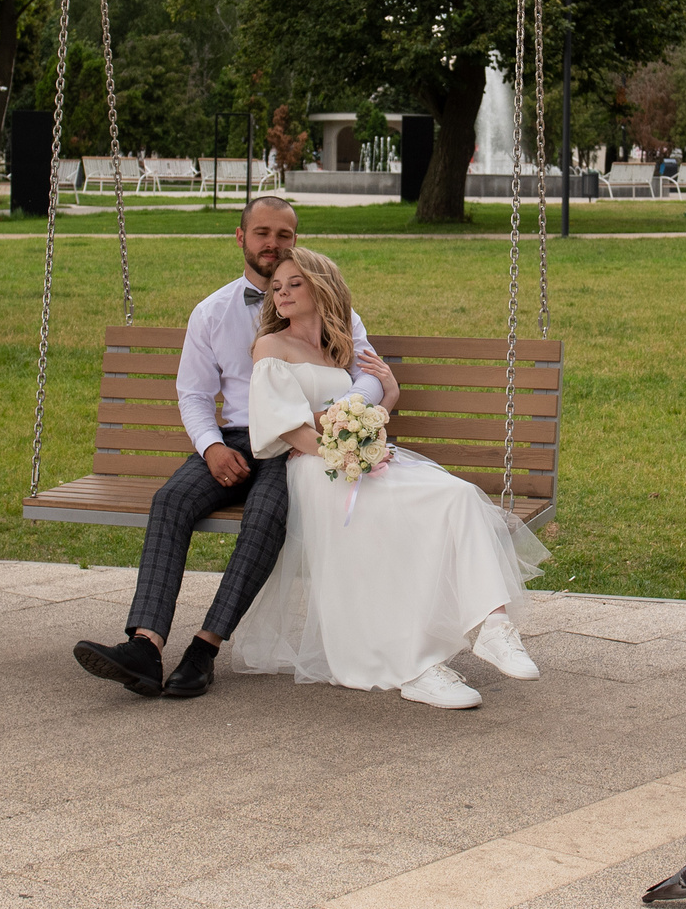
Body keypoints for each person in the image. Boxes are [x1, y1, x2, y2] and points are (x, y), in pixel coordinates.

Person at [71, 196, 392, 701]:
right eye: (262, 233)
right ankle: (144, 646)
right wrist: (211, 447)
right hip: (237, 439)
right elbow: (194, 395)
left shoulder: (335, 311)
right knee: (171, 501)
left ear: (295, 241)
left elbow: (371, 374)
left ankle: (203, 649)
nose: (273, 244)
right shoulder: (213, 312)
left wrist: (341, 412)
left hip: (295, 446)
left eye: (284, 235)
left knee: (265, 518)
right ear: (241, 238)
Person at [230, 247, 547, 709]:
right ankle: (412, 665)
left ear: (321, 287)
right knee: (384, 515)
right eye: (276, 287)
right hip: (315, 467)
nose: (282, 293)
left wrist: (390, 395)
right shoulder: (270, 347)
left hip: (360, 457)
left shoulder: (337, 351)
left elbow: (367, 417)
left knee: (457, 495)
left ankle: (494, 626)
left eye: (294, 283)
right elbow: (288, 429)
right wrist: (344, 456)